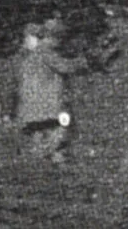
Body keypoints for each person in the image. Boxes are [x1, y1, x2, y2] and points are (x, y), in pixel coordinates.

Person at [14, 19, 88, 161]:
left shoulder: (26, 58)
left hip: (31, 108)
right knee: (62, 129)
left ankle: (38, 158)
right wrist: (83, 61)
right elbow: (64, 66)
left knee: (39, 133)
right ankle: (54, 155)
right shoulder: (44, 52)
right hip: (49, 105)